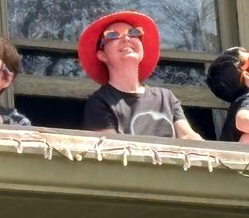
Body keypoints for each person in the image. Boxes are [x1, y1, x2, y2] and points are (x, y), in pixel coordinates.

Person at [79, 11, 202, 140]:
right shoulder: (100, 102)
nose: (126, 38)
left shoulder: (166, 98)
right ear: (102, 55)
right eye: (113, 35)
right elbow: (111, 149)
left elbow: (189, 137)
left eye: (133, 33)